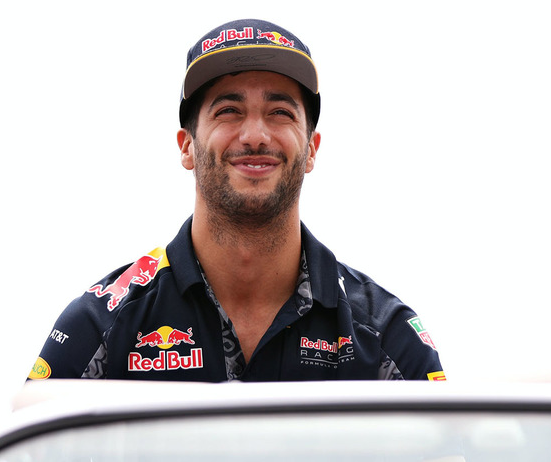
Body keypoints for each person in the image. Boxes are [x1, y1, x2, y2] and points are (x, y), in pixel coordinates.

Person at [29, 19, 446, 382]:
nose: (255, 135)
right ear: (187, 146)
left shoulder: (383, 334)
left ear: (312, 149)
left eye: (280, 112)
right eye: (228, 110)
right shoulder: (102, 324)